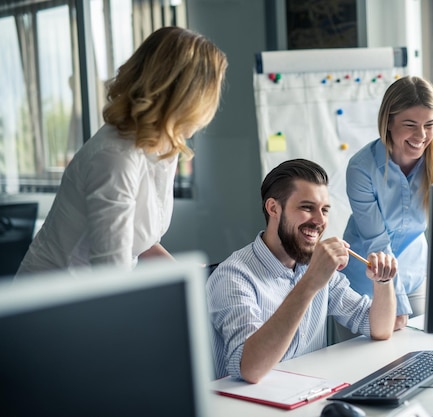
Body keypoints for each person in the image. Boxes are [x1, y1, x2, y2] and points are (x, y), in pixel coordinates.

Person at [16, 26, 227, 276]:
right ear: (187, 97)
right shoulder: (114, 157)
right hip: (55, 299)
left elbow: (139, 241)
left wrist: (187, 277)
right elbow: (112, 273)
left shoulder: (162, 147)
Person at [207, 159, 397, 383]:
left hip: (309, 393)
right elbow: (250, 369)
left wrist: (383, 281)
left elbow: (379, 328)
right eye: (307, 207)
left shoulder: (313, 263)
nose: (320, 220)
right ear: (273, 208)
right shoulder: (232, 277)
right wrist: (310, 283)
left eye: (324, 210)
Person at [341, 75, 433, 330]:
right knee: (364, 363)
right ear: (388, 123)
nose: (421, 135)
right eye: (410, 124)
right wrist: (394, 304)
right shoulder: (362, 168)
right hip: (364, 282)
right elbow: (377, 242)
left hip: (414, 275)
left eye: (429, 125)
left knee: (428, 350)